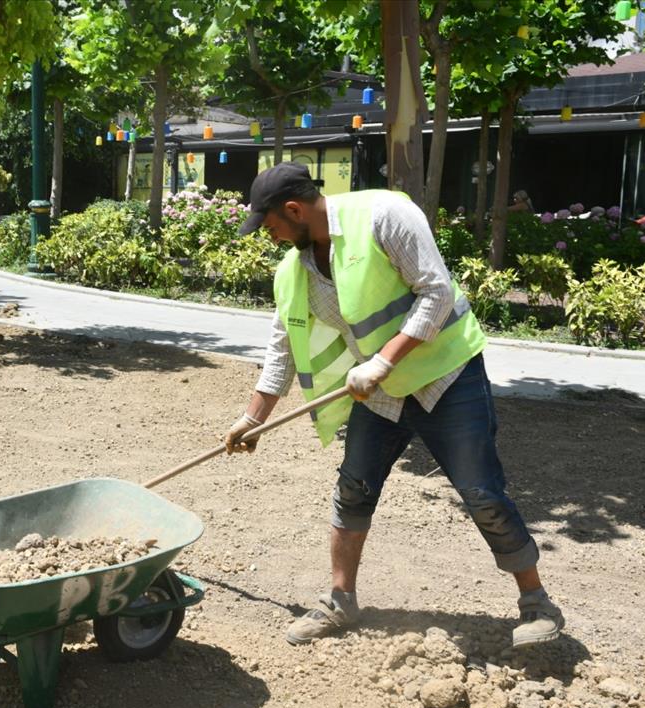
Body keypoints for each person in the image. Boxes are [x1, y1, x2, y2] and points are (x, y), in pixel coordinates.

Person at [226, 162, 564, 649]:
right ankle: (341, 602)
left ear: (295, 210)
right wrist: (253, 418)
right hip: (379, 391)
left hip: (446, 378)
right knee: (354, 488)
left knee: (482, 492)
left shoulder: (385, 216)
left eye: (272, 225)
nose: (271, 237)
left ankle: (537, 603)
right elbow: (281, 347)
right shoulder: (293, 271)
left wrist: (382, 362)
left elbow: (437, 293)